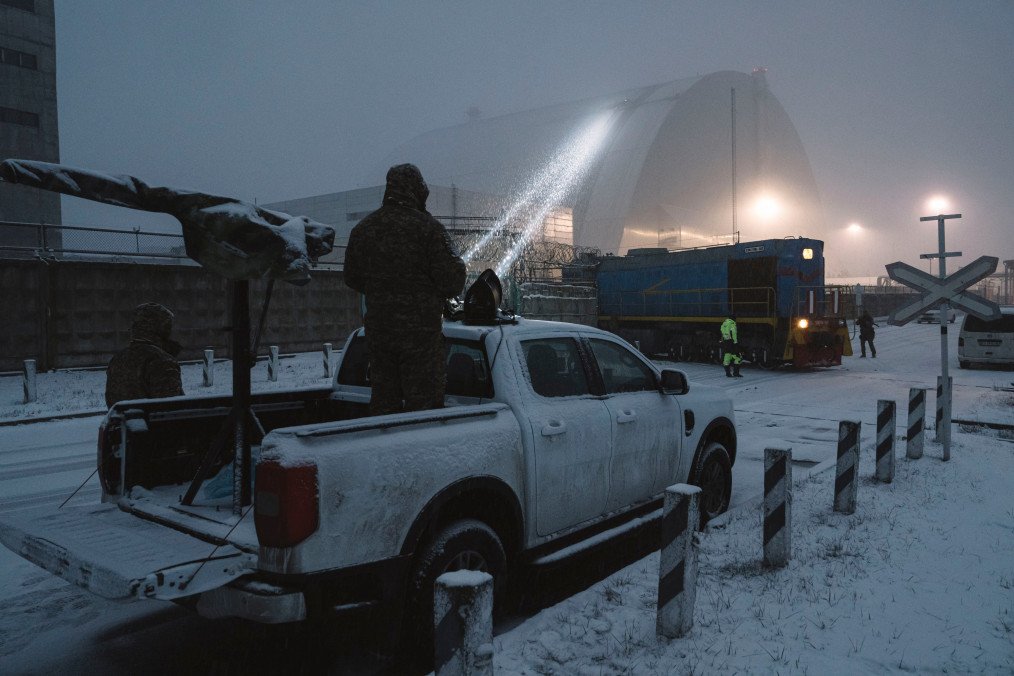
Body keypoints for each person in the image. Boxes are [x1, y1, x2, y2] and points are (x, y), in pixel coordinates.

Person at [343, 163, 467, 415]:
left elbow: (351, 278)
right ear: (418, 191)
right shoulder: (429, 229)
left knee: (383, 403)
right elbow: (453, 281)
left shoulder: (364, 230)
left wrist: (382, 289)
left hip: (379, 336)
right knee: (423, 408)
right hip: (420, 337)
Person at [105, 302, 184, 407]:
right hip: (150, 423)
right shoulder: (162, 362)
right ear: (162, 329)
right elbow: (172, 409)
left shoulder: (117, 359)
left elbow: (111, 402)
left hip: (121, 422)